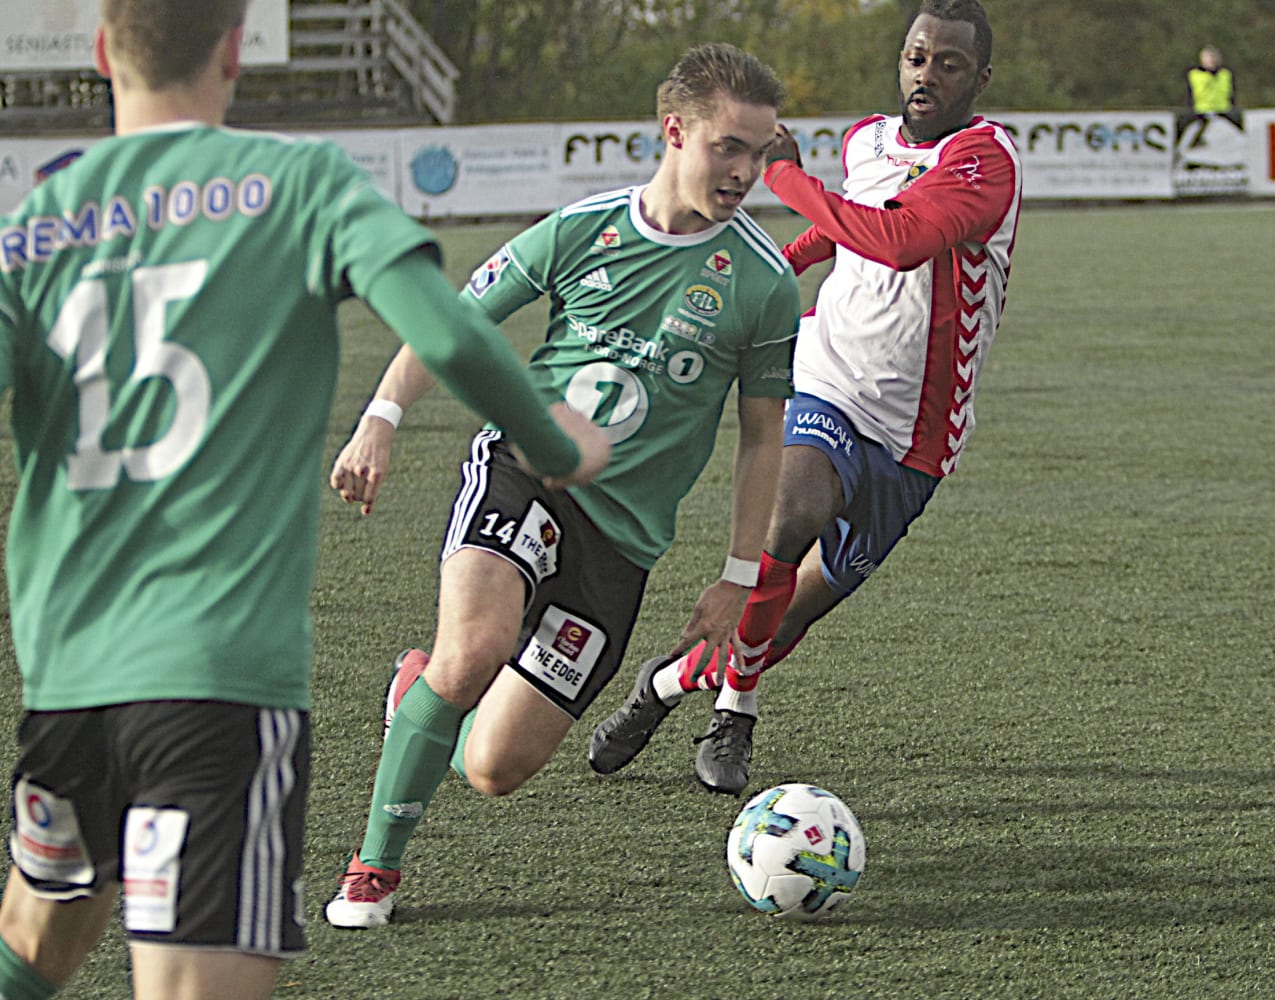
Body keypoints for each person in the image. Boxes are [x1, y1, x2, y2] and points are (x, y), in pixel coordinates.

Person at [0, 1, 608, 997]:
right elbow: (449, 333)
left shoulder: (34, 225)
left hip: (68, 672)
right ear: (236, 49)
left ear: (104, 51)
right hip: (214, 673)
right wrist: (554, 443)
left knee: (44, 933)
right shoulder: (300, 182)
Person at [322, 42, 800, 930]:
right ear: (675, 131)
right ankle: (372, 871)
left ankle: (417, 694)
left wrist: (740, 575)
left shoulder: (765, 283)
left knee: (492, 768)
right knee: (473, 651)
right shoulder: (582, 230)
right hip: (525, 474)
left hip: (620, 545)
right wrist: (381, 417)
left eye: (760, 151)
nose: (745, 171)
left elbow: (762, 434)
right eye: (729, 146)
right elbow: (455, 323)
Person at [589, 0, 1021, 796]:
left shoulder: (984, 161)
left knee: (783, 616)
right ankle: (736, 714)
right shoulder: (867, 140)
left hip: (915, 434)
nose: (926, 74)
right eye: (916, 56)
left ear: (980, 78)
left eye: (949, 63)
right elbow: (843, 229)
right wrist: (776, 270)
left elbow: (899, 241)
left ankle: (665, 685)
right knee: (790, 518)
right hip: (825, 373)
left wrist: (787, 177)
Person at [1186, 45, 1237, 116]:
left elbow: (1232, 93)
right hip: (1201, 112)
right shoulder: (1194, 74)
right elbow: (1190, 94)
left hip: (1224, 111)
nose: (1211, 59)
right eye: (1207, 57)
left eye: (1213, 56)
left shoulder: (1225, 74)